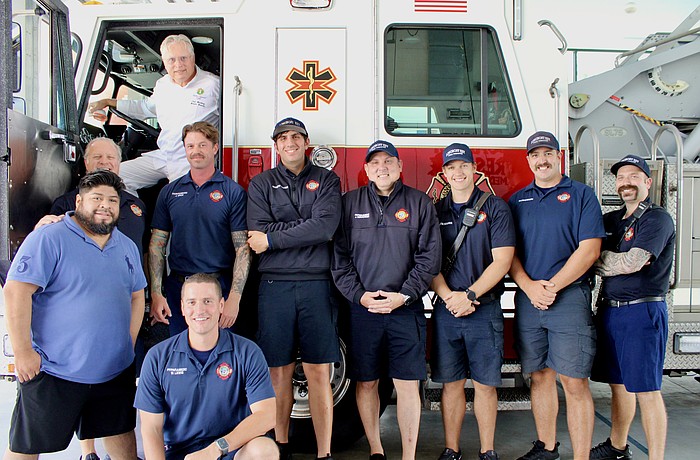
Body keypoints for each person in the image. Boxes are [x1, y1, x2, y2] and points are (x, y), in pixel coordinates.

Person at [3, 170, 147, 460]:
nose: (105, 205)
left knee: (121, 437)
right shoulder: (50, 237)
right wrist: (23, 352)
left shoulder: (127, 246)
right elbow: (16, 292)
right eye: (97, 198)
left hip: (113, 371)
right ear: (79, 201)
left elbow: (136, 297)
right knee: (27, 446)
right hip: (55, 370)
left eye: (112, 200)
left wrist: (127, 344)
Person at [332, 140, 441, 460]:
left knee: (407, 384)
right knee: (366, 383)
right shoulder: (349, 203)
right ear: (366, 169)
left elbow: (429, 258)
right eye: (375, 162)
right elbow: (340, 258)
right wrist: (359, 295)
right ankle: (376, 450)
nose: (382, 167)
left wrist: (404, 295)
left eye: (389, 161)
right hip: (363, 310)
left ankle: (408, 455)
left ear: (400, 166)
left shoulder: (420, 203)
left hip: (405, 310)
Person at [246, 117, 341, 460]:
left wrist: (274, 238)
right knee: (278, 370)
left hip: (317, 284)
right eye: (283, 137)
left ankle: (325, 452)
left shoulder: (327, 180)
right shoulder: (260, 184)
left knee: (318, 370)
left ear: (306, 143)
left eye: (296, 137)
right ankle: (280, 446)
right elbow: (255, 234)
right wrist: (299, 231)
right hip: (274, 286)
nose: (290, 142)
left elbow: (325, 228)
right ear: (275, 145)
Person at [508, 131, 605, 460]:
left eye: (548, 152)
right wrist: (529, 286)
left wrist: (552, 286)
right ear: (528, 161)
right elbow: (508, 253)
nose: (542, 159)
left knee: (574, 381)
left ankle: (580, 456)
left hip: (568, 300)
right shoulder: (518, 200)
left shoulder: (582, 195)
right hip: (529, 299)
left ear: (559, 156)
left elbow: (590, 249)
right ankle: (546, 448)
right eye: (535, 154)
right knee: (539, 376)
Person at [430, 144, 515, 460]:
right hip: (447, 307)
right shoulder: (435, 211)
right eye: (451, 167)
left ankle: (487, 450)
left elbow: (502, 261)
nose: (458, 172)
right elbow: (429, 262)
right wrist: (448, 296)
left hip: (483, 308)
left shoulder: (495, 207)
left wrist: (469, 296)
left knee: (484, 385)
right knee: (451, 385)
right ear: (444, 174)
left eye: (463, 165)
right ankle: (451, 449)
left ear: (475, 169)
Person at [134, 273, 278, 460]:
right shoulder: (158, 357)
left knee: (264, 450)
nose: (200, 310)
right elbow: (151, 428)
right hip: (181, 454)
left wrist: (215, 450)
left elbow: (266, 416)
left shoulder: (248, 352)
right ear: (183, 308)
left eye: (208, 301)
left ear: (221, 306)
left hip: (229, 450)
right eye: (192, 302)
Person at [589, 155, 674, 460]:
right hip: (610, 311)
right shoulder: (613, 220)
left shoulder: (657, 219)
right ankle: (617, 446)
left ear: (647, 182)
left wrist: (597, 261)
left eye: (634, 177)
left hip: (642, 312)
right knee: (618, 386)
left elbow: (633, 261)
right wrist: (609, 262)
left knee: (647, 391)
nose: (626, 182)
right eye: (622, 177)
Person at [149, 121, 251, 337]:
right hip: (179, 288)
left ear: (215, 148)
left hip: (218, 287)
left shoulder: (233, 192)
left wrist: (234, 297)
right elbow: (157, 245)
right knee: (180, 353)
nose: (196, 151)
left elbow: (243, 249)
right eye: (190, 146)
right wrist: (156, 293)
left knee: (221, 355)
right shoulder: (169, 192)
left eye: (202, 145)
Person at [88, 34, 219, 194]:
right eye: (172, 60)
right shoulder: (163, 85)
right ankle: (134, 215)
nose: (178, 65)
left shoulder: (213, 84)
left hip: (191, 159)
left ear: (193, 58)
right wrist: (108, 102)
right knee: (111, 178)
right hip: (164, 155)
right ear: (164, 61)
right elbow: (145, 108)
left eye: (183, 58)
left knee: (180, 203)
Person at [35, 137, 147, 254]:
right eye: (97, 157)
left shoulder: (137, 204)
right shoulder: (65, 203)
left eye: (110, 157)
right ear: (86, 162)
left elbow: (144, 252)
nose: (104, 162)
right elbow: (49, 246)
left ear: (119, 162)